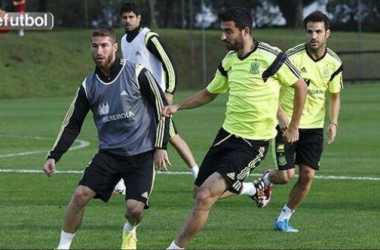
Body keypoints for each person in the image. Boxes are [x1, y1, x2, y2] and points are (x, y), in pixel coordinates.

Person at [162, 7, 307, 249]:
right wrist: (178, 106)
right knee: (198, 191)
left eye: (228, 31)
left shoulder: (271, 56)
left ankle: (174, 248)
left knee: (204, 197)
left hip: (252, 143)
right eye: (222, 31)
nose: (223, 37)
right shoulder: (229, 61)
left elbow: (300, 86)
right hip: (226, 135)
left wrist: (292, 126)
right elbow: (209, 93)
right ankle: (254, 188)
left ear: (245, 31)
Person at [42, 26, 171, 250]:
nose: (99, 51)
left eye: (104, 45)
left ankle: (130, 230)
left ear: (114, 47)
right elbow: (72, 123)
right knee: (80, 195)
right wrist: (54, 155)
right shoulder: (88, 85)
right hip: (109, 155)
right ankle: (62, 247)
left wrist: (160, 146)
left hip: (140, 155)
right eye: (95, 46)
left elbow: (163, 108)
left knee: (134, 210)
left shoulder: (137, 72)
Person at [258, 11, 343, 233]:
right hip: (286, 124)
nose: (313, 36)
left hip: (313, 128)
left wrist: (333, 122)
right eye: (309, 31)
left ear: (328, 33)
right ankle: (267, 179)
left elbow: (334, 96)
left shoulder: (334, 63)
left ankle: (283, 219)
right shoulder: (290, 58)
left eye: (318, 32)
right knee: (286, 176)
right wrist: (281, 117)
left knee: (307, 176)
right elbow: (270, 89)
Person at [112, 2, 199, 195]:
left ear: (139, 18)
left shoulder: (149, 37)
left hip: (156, 98)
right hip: (136, 100)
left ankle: (197, 174)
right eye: (124, 17)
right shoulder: (124, 41)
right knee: (132, 135)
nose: (127, 20)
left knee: (172, 137)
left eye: (131, 17)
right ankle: (123, 182)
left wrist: (169, 91)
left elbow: (169, 63)